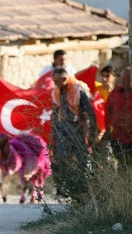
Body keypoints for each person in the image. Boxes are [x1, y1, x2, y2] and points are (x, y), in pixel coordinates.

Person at [51, 67, 96, 201]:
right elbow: (55, 112)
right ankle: (64, 190)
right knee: (62, 158)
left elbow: (91, 112)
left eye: (57, 82)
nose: (55, 84)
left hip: (79, 128)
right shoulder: (57, 91)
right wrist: (53, 133)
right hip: (63, 127)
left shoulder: (78, 89)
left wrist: (92, 133)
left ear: (65, 79)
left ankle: (84, 190)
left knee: (82, 159)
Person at [106, 66, 132, 167]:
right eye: (122, 78)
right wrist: (108, 130)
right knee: (122, 165)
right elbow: (109, 110)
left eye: (126, 78)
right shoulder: (116, 92)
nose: (122, 80)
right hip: (118, 137)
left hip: (130, 138)